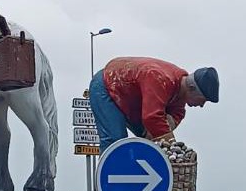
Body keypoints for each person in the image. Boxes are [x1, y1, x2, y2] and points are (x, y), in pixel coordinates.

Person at [88, 56, 219, 154]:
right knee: (116, 142)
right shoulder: (160, 79)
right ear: (191, 87)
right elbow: (152, 117)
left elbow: (167, 123)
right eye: (202, 99)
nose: (202, 105)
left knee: (149, 143)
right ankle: (111, 184)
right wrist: (173, 149)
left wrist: (163, 135)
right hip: (107, 86)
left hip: (132, 101)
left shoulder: (179, 96)